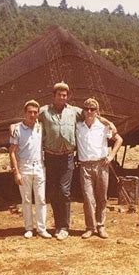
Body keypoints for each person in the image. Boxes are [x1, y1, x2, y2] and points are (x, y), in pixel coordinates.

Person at [37, 81, 116, 241]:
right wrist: (15, 126)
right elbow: (29, 119)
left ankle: (65, 227)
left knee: (65, 191)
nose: (62, 97)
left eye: (65, 95)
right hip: (51, 156)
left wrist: (110, 123)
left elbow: (93, 114)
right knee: (53, 192)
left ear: (68, 97)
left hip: (67, 157)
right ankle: (58, 224)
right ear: (54, 95)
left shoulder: (74, 111)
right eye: (59, 94)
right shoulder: (44, 112)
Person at [76, 98, 123, 239]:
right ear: (83, 111)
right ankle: (90, 227)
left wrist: (111, 156)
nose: (89, 112)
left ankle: (101, 226)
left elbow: (119, 139)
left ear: (97, 111)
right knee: (88, 197)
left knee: (102, 197)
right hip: (85, 166)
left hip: (101, 165)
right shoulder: (78, 126)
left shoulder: (103, 127)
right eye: (87, 109)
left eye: (93, 109)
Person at [9, 100, 52, 239]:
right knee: (26, 199)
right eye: (30, 112)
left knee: (41, 198)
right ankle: (28, 228)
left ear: (38, 114)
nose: (32, 115)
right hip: (24, 167)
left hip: (39, 166)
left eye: (35, 112)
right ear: (25, 113)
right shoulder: (18, 129)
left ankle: (41, 228)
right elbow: (12, 152)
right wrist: (16, 172)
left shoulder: (40, 127)